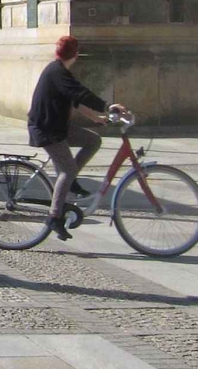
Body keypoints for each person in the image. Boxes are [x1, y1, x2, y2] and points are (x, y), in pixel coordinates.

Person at [28, 35, 127, 241]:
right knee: (67, 169)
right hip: (46, 129)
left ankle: (70, 183)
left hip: (56, 126)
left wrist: (97, 118)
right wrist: (108, 106)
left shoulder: (59, 71)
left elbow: (75, 100)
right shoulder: (58, 72)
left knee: (93, 140)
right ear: (76, 54)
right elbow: (81, 94)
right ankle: (54, 217)